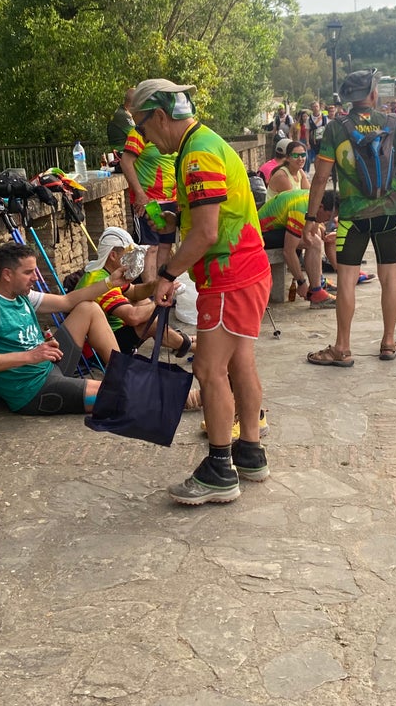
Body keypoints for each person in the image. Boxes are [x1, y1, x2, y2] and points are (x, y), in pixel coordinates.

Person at [130, 78, 272, 505]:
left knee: (209, 371)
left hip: (229, 276)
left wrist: (167, 274)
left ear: (159, 116)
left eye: (143, 127)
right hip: (246, 270)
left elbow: (207, 233)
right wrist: (177, 219)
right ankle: (250, 452)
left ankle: (219, 469)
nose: (145, 139)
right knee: (240, 362)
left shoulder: (196, 155)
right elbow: (211, 214)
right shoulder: (203, 143)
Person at [304, 68, 396, 367]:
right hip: (389, 213)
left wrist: (311, 218)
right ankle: (388, 342)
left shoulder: (336, 128)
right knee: (389, 276)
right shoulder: (393, 123)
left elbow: (320, 177)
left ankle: (342, 348)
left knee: (346, 279)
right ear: (373, 94)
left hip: (353, 216)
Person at [0, 242, 127, 415]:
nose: (36, 278)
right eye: (28, 272)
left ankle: (124, 373)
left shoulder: (20, 294)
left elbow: (67, 301)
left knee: (88, 308)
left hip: (49, 366)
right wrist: (30, 356)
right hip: (33, 390)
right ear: (7, 274)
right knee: (121, 396)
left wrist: (110, 282)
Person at [76, 227, 195, 357]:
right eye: (128, 255)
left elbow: (134, 292)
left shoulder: (107, 273)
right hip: (97, 348)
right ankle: (191, 346)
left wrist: (157, 285)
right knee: (151, 323)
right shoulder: (98, 280)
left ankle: (179, 340)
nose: (132, 259)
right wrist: (158, 301)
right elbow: (133, 317)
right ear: (113, 256)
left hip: (109, 334)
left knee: (142, 302)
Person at [120, 117, 178, 282]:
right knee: (150, 247)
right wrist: (139, 194)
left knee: (166, 245)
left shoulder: (172, 133)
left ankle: (163, 286)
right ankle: (150, 290)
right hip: (148, 201)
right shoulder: (140, 132)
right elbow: (126, 162)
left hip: (171, 199)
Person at [259, 188, 338, 308]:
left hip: (274, 228)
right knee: (314, 242)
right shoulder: (300, 209)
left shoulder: (313, 199)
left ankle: (317, 285)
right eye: (328, 216)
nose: (328, 221)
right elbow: (288, 252)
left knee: (315, 237)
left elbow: (313, 228)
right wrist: (301, 282)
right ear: (321, 207)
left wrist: (321, 230)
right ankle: (316, 293)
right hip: (262, 233)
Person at [106, 89, 136, 160]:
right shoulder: (122, 115)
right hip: (122, 155)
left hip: (121, 154)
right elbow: (137, 135)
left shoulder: (120, 112)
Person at [306, 100, 327, 173]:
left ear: (319, 107)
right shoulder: (309, 119)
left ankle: (323, 172)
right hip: (314, 140)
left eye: (317, 106)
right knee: (317, 157)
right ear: (311, 108)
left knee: (323, 157)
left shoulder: (324, 117)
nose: (315, 108)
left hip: (323, 139)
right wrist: (307, 142)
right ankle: (317, 172)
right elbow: (307, 131)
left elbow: (327, 128)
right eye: (314, 107)